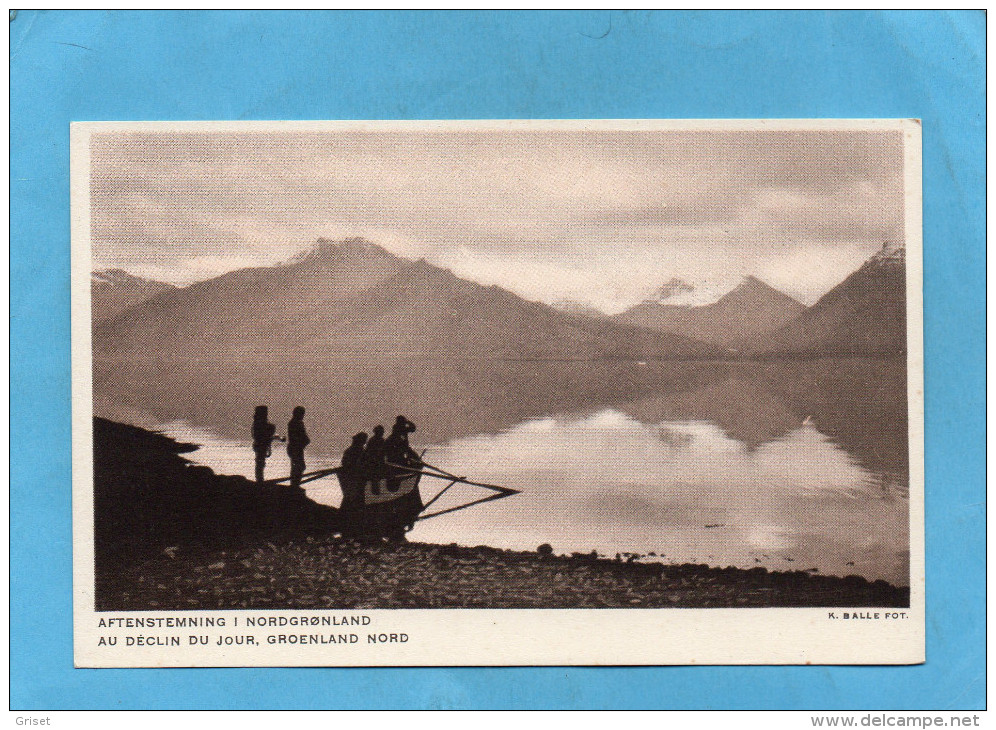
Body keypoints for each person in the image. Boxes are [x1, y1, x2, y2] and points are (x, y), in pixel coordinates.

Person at [251, 405, 282, 484]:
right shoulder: (260, 423)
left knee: (260, 463)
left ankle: (259, 479)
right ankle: (259, 480)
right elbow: (268, 431)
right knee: (260, 463)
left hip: (259, 445)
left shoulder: (257, 422)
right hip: (261, 445)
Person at [339, 432, 368, 512]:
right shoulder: (355, 450)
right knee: (355, 495)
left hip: (353, 476)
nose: (365, 442)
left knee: (352, 496)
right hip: (353, 476)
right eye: (364, 440)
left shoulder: (356, 449)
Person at [286, 406, 310, 490]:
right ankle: (294, 485)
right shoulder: (296, 423)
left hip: (296, 448)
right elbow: (299, 436)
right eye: (302, 414)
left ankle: (294, 484)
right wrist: (305, 441)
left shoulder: (294, 422)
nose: (303, 416)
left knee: (297, 466)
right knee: (299, 466)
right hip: (296, 448)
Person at [364, 425, 387, 495]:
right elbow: (368, 453)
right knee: (377, 475)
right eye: (381, 432)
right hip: (374, 464)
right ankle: (376, 492)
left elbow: (384, 452)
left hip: (379, 462)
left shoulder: (381, 440)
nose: (382, 433)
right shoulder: (373, 441)